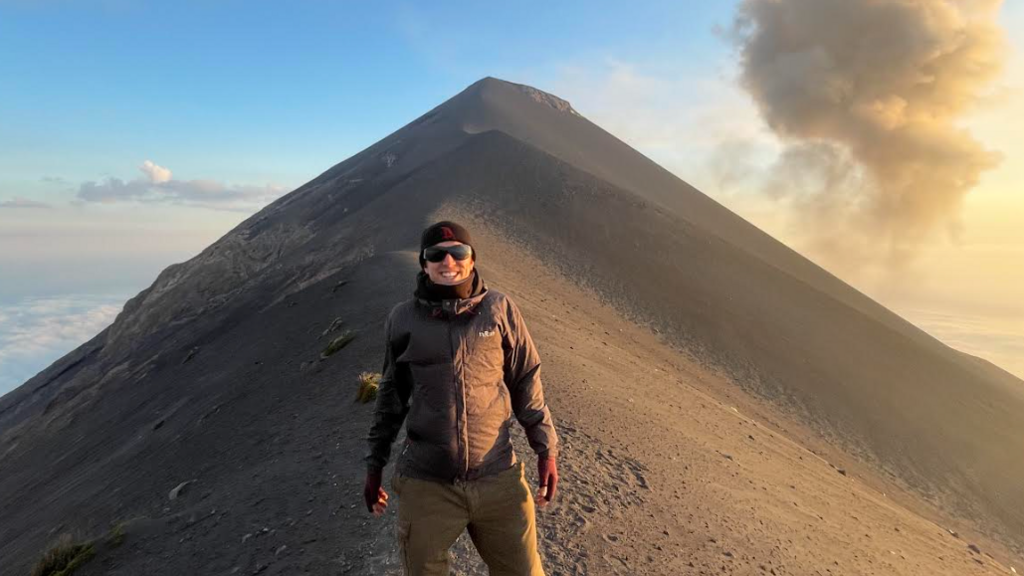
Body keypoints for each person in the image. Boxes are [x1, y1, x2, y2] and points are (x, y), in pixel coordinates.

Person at [363, 221, 560, 576]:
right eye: (436, 255)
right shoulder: (403, 319)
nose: (448, 262)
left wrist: (545, 449)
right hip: (426, 483)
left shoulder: (499, 309)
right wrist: (374, 466)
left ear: (471, 259)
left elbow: (526, 380)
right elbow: (391, 398)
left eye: (458, 253)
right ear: (424, 264)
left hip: (498, 478)